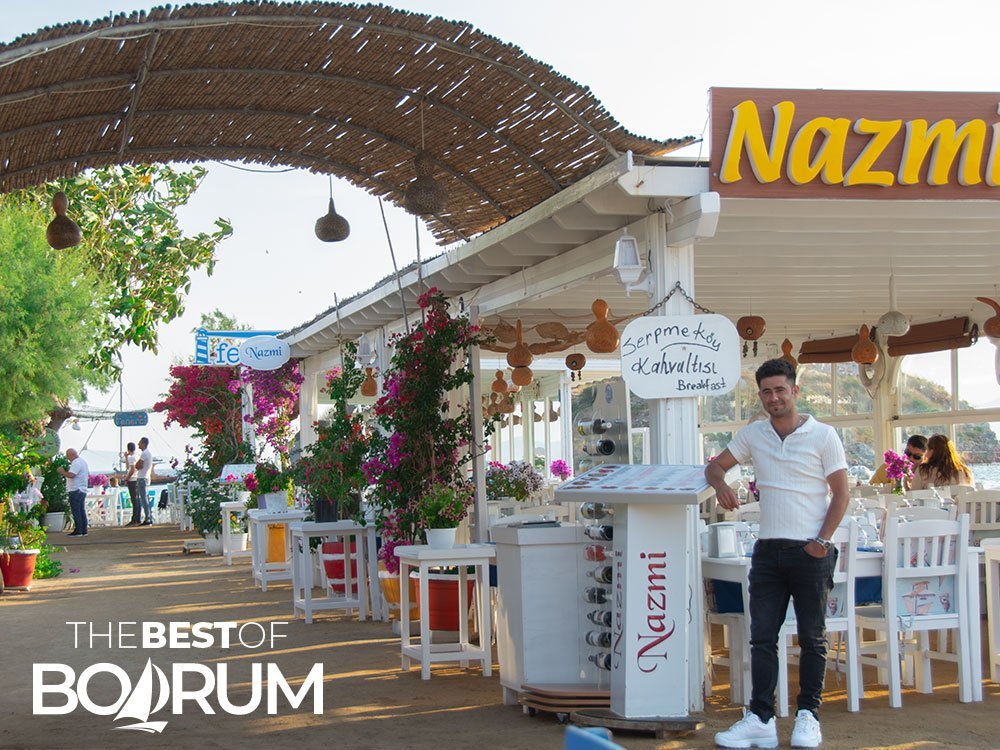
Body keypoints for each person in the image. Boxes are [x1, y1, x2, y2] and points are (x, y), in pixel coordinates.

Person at [706, 359, 850, 750]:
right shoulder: (754, 434)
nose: (774, 398)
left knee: (812, 638)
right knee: (762, 637)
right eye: (767, 392)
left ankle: (808, 717)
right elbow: (715, 467)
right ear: (761, 396)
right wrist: (720, 484)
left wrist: (821, 541)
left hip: (811, 551)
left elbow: (842, 494)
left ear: (795, 392)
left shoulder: (823, 435)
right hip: (767, 550)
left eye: (780, 390)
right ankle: (761, 719)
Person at [910, 433, 974, 490]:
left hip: (934, 503)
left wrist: (906, 487)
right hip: (960, 503)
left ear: (931, 452)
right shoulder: (964, 471)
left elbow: (913, 496)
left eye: (927, 450)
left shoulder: (923, 471)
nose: (925, 454)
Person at [57, 448, 90, 537]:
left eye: (68, 456)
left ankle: (79, 530)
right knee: (81, 510)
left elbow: (72, 475)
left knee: (76, 511)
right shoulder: (83, 462)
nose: (68, 459)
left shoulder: (76, 463)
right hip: (82, 489)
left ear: (72, 455)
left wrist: (62, 472)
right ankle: (83, 530)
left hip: (76, 489)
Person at [135, 437, 153, 525]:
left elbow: (137, 465)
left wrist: (137, 465)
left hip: (142, 478)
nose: (138, 444)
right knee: (145, 498)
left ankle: (148, 519)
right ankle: (149, 517)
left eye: (139, 442)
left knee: (143, 499)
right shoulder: (148, 453)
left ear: (143, 443)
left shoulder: (144, 453)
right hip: (146, 478)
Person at [123, 442, 141, 526]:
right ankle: (138, 518)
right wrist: (126, 457)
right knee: (137, 500)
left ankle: (135, 519)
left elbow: (132, 469)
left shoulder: (132, 458)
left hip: (132, 480)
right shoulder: (137, 456)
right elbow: (128, 467)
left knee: (134, 500)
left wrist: (126, 479)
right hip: (137, 478)